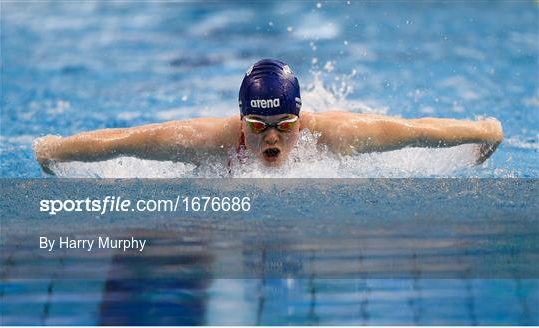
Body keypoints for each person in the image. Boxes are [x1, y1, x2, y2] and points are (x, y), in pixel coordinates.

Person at [34, 59, 503, 175]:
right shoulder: (210, 140)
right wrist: (53, 149)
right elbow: (127, 139)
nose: (272, 138)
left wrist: (484, 133)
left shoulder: (338, 134)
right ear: (242, 123)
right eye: (258, 127)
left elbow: (414, 132)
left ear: (301, 119)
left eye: (285, 124)